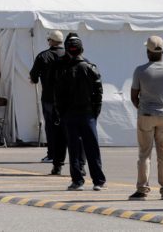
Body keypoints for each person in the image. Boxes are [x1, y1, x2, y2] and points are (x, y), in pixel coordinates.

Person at [53, 33, 106, 191]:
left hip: (70, 114)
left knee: (74, 149)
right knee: (92, 148)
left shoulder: (63, 70)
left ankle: (77, 180)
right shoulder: (90, 68)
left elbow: (58, 95)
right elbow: (99, 93)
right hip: (87, 114)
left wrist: (61, 113)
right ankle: (98, 180)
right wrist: (95, 112)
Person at [129, 35, 163, 201]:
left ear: (148, 52)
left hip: (146, 114)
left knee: (144, 154)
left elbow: (134, 96)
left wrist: (142, 108)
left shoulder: (140, 70)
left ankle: (142, 189)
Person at [30, 30, 67, 175]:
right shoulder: (68, 55)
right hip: (67, 98)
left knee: (51, 127)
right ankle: (73, 157)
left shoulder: (43, 56)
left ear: (51, 41)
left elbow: (33, 76)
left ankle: (52, 154)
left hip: (49, 97)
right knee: (68, 128)